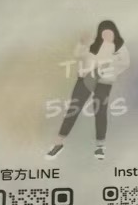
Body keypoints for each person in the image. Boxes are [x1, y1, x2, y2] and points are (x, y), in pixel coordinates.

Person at [46, 20, 129, 161]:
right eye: (104, 33)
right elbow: (77, 54)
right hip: (85, 78)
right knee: (73, 109)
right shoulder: (93, 44)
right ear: (100, 33)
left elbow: (125, 63)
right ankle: (58, 143)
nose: (107, 35)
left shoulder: (119, 46)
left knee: (100, 112)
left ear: (114, 32)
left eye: (109, 33)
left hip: (103, 81)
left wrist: (108, 70)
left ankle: (100, 147)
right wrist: (81, 42)